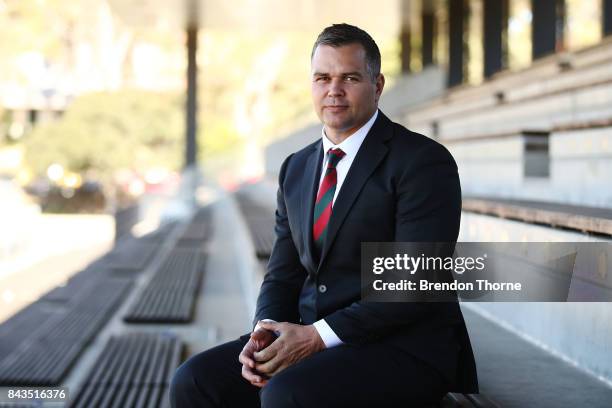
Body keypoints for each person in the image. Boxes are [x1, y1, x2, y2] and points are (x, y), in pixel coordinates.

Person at [170, 23, 478, 408]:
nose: (334, 89)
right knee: (195, 381)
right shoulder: (296, 168)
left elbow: (412, 284)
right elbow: (283, 272)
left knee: (287, 395)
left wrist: (317, 336)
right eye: (323, 78)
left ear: (377, 85)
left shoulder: (422, 162)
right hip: (314, 334)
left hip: (403, 346)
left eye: (350, 77)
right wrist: (263, 331)